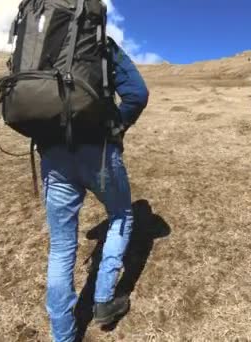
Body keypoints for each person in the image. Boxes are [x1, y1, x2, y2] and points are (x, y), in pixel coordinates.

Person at [37, 38, 149, 341]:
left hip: (52, 152)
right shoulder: (99, 42)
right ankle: (103, 300)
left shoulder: (38, 44)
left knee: (61, 247)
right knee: (121, 214)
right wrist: (116, 126)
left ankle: (63, 335)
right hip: (98, 149)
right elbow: (137, 94)